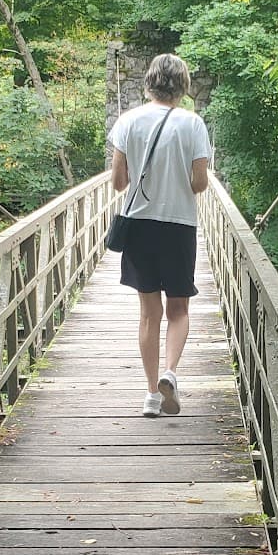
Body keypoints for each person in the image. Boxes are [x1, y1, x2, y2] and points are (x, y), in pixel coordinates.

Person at [108, 53, 212, 416]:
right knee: (179, 309)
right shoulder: (194, 124)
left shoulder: (128, 121)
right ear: (183, 85)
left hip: (139, 226)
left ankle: (152, 395)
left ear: (149, 83)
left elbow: (119, 182)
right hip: (179, 226)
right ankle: (171, 372)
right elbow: (199, 183)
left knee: (149, 314)